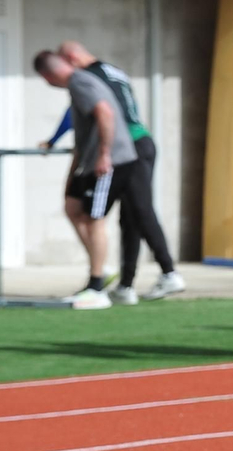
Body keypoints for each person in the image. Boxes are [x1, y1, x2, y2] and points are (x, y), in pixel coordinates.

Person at [51, 42, 185, 304]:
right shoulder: (113, 71)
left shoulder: (85, 77)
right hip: (138, 141)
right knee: (130, 216)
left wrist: (55, 138)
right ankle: (126, 284)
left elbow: (84, 112)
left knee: (139, 209)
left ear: (71, 58)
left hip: (128, 145)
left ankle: (169, 272)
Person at [32, 50, 138, 310]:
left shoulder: (80, 82)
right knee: (73, 207)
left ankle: (96, 286)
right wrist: (73, 171)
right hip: (90, 161)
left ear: (48, 75)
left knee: (93, 218)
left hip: (110, 160)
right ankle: (101, 267)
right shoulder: (77, 84)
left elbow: (105, 113)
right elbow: (80, 130)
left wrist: (104, 156)